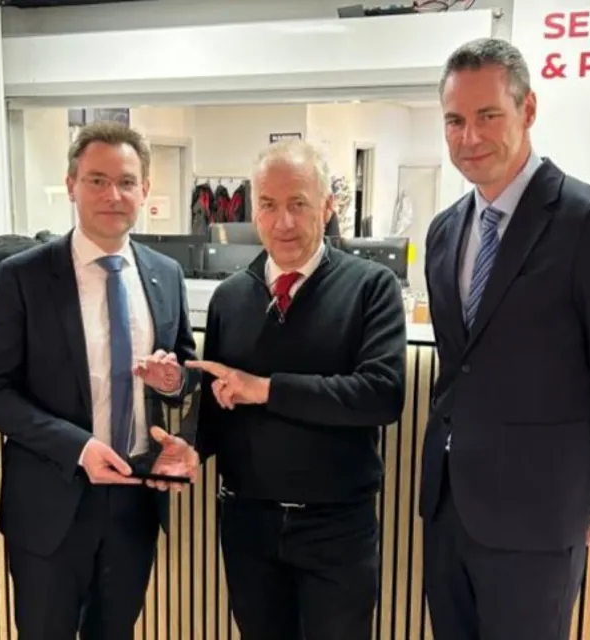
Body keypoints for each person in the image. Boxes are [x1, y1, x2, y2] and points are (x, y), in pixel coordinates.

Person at [421, 38, 590, 640]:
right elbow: (464, 369)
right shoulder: (444, 230)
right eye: (455, 120)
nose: (469, 137)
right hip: (450, 508)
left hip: (540, 515)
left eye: (488, 117)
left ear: (528, 110)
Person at [0, 121, 200, 640]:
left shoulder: (165, 274)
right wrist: (78, 447)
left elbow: (183, 375)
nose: (112, 195)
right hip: (51, 504)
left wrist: (171, 382)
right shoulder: (23, 275)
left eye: (126, 181)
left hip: (135, 502)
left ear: (145, 189)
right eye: (96, 180)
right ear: (71, 185)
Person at [187, 139, 407, 640]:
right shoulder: (231, 297)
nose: (283, 221)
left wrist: (266, 389)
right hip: (248, 526)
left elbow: (381, 394)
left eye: (298, 203)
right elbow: (220, 410)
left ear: (328, 206)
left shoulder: (372, 288)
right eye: (268, 205)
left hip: (336, 527)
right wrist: (191, 450)